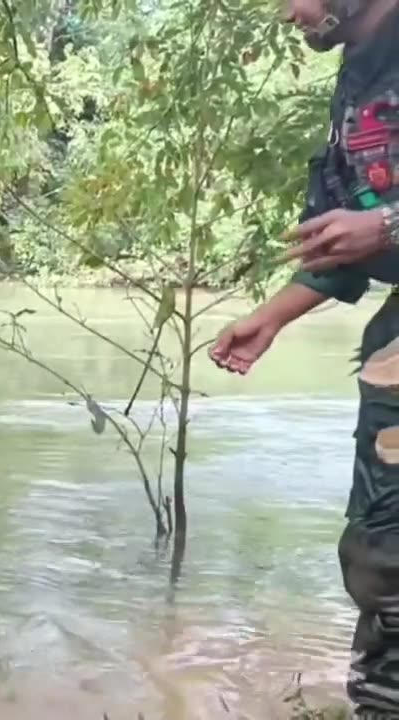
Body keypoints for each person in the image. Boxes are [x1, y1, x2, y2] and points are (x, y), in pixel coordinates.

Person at [208, 0, 399, 714]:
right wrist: (269, 319)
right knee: (381, 555)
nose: (291, 12)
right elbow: (344, 244)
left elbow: (374, 226)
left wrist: (385, 222)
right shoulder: (357, 74)